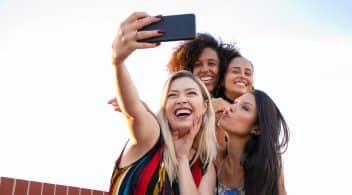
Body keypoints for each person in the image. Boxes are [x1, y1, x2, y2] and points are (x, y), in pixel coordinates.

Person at [109, 12, 217, 194]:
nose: (182, 99)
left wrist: (182, 159)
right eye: (173, 95)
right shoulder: (151, 137)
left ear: (205, 106)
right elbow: (133, 110)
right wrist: (118, 62)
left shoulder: (205, 165)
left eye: (191, 93)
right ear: (164, 108)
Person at [107, 32, 234, 111]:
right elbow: (163, 134)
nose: (205, 69)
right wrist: (141, 109)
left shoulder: (235, 101)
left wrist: (227, 107)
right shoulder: (178, 105)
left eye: (211, 64)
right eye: (197, 64)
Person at [216, 90, 289, 195]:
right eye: (235, 103)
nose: (231, 107)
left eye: (245, 108)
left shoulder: (268, 170)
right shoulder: (214, 159)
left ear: (257, 128)